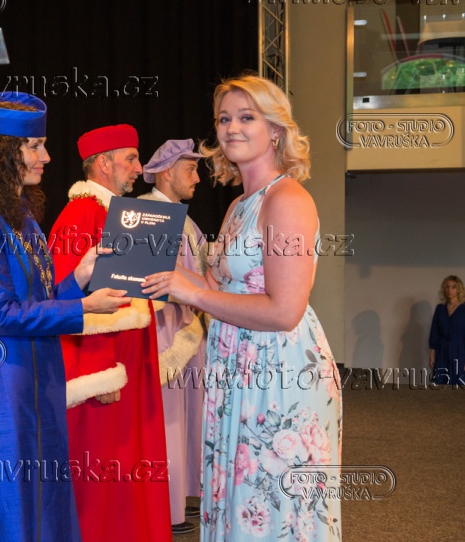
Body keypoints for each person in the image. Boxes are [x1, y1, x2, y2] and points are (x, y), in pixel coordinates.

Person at [145, 75, 342, 540]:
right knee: (240, 500)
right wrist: (157, 275)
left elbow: (284, 310)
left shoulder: (287, 199)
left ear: (275, 130)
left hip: (280, 373)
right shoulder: (239, 205)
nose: (232, 127)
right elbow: (217, 287)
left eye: (246, 117)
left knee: (273, 508)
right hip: (236, 365)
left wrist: (193, 293)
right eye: (224, 118)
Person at [0, 92, 127, 542]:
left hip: (41, 382)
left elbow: (40, 299)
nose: (47, 157)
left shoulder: (20, 213)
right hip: (7, 388)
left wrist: (79, 277)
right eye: (35, 146)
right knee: (15, 509)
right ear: (3, 152)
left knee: (45, 505)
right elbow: (0, 315)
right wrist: (83, 308)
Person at [48, 124, 172, 542]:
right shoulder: (83, 214)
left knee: (126, 473)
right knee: (104, 480)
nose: (140, 168)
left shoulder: (117, 214)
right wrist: (97, 374)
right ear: (103, 163)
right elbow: (67, 301)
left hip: (126, 365)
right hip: (104, 377)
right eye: (131, 159)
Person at [138, 138, 207, 536]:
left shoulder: (183, 219)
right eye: (190, 170)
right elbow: (149, 284)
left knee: (184, 420)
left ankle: (179, 500)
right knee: (167, 422)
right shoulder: (150, 215)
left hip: (186, 331)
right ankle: (165, 510)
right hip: (165, 335)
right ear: (167, 173)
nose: (196, 178)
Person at [429, 275, 465, 386]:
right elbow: (435, 331)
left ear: (458, 289)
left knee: (458, 383)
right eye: (447, 287)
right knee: (440, 383)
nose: (450, 290)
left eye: (453, 287)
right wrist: (432, 352)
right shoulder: (440, 309)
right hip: (442, 350)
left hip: (459, 351)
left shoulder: (463, 309)